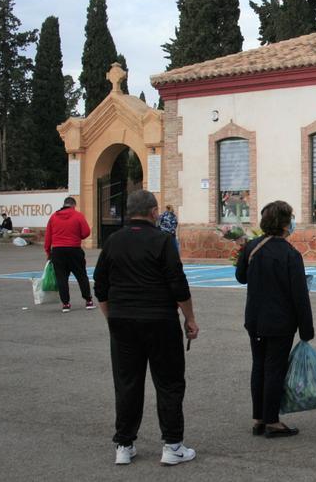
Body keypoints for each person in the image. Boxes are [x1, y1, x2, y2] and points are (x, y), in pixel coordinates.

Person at [92, 190, 199, 467]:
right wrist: (190, 318)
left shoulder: (113, 242)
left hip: (123, 320)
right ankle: (172, 445)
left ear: (129, 212)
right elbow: (178, 285)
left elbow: (101, 286)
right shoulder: (163, 242)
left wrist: (110, 317)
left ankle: (124, 444)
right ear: (153, 212)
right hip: (160, 320)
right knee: (169, 382)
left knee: (127, 382)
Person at [235, 201, 314, 439]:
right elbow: (299, 295)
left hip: (255, 319)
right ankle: (272, 421)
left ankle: (259, 417)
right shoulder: (290, 255)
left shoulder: (251, 247)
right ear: (284, 223)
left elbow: (240, 277)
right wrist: (306, 329)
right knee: (274, 369)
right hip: (280, 322)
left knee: (258, 366)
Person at [44, 197, 96, 313]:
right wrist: (78, 236)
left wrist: (48, 252)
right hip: (74, 249)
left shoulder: (53, 217)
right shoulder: (78, 216)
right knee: (81, 275)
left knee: (61, 278)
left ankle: (66, 304)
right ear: (73, 205)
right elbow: (86, 232)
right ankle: (88, 301)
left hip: (57, 251)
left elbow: (48, 237)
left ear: (64, 204)